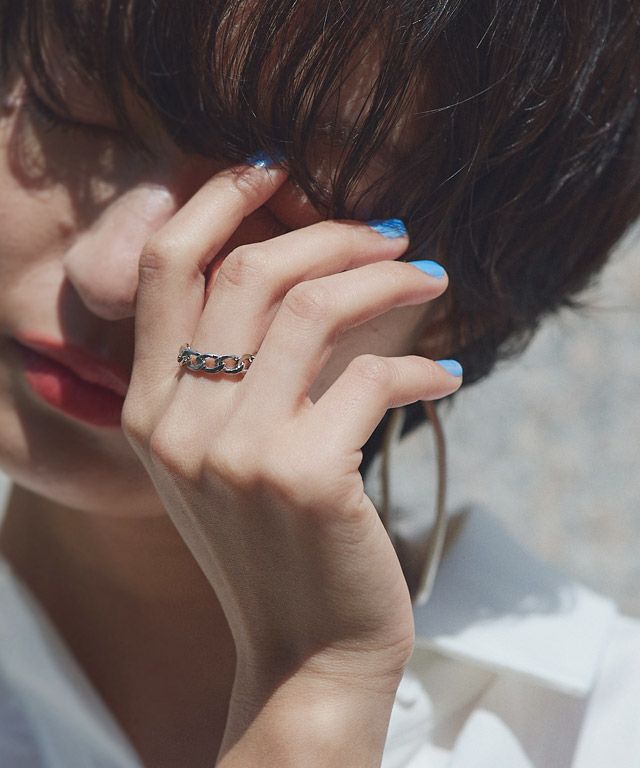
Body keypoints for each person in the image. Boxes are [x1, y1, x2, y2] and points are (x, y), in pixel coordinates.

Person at [0, 1, 638, 766]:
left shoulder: (597, 732)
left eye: (290, 197)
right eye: (72, 111)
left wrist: (317, 691)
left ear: (462, 306)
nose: (112, 274)